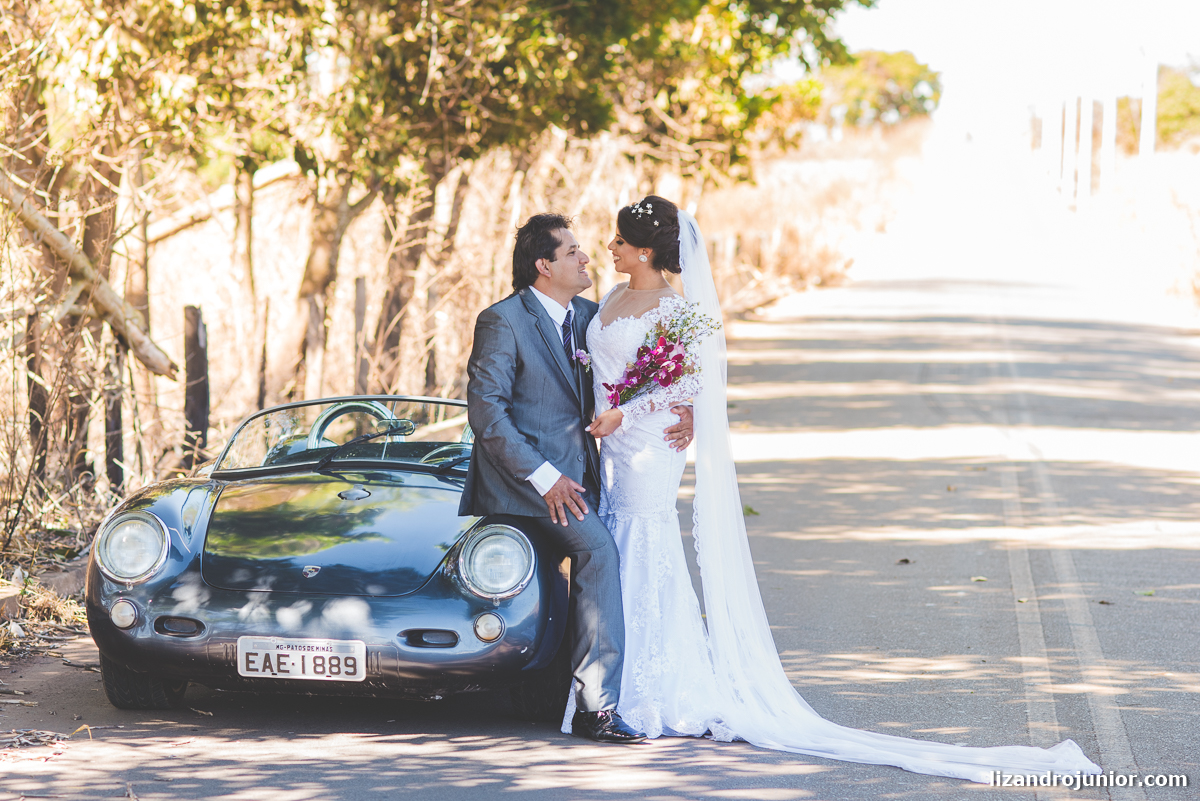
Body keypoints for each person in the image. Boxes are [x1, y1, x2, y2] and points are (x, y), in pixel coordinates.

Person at [561, 195, 1104, 783]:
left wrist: (633, 411)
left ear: (645, 251)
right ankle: (601, 677)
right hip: (609, 443)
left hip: (647, 441)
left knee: (643, 542)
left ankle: (644, 685)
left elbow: (689, 381)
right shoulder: (610, 298)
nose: (609, 247)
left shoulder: (675, 308)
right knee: (613, 541)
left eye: (619, 241)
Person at [459, 212, 693, 744]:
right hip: (524, 483)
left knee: (608, 547)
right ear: (544, 266)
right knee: (600, 551)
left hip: (593, 474)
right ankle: (595, 708)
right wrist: (546, 479)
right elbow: (487, 414)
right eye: (572, 252)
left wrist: (686, 410)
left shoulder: (592, 314)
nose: (587, 257)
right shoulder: (502, 321)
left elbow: (645, 373)